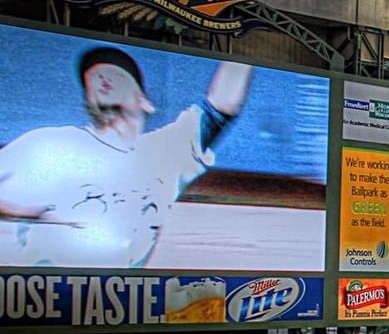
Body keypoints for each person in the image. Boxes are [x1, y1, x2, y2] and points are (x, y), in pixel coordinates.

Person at [0, 48, 253, 269]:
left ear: (145, 102)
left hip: (123, 305)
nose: (102, 77)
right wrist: (26, 210)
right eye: (94, 77)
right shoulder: (50, 145)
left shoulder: (163, 153)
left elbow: (220, 107)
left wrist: (245, 50)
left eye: (116, 74)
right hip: (48, 306)